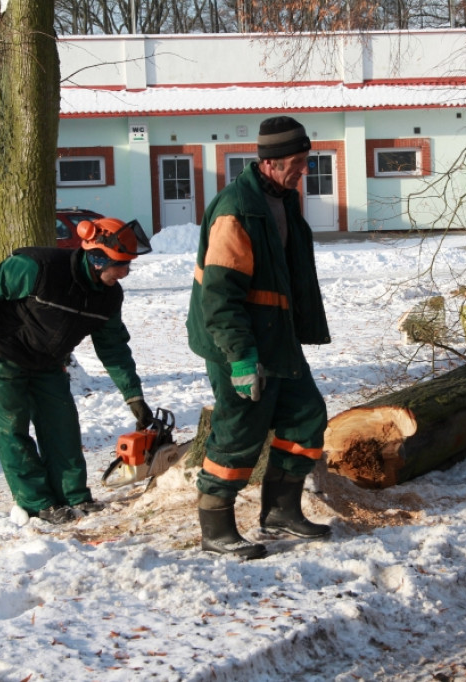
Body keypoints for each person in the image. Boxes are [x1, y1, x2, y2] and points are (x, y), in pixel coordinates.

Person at [186, 116, 332, 559]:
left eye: (306, 161)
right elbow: (219, 296)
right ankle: (215, 528)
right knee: (238, 432)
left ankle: (280, 511)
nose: (304, 170)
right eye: (297, 163)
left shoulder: (284, 200)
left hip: (277, 336)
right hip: (240, 342)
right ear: (270, 162)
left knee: (306, 417)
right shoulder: (236, 210)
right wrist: (241, 358)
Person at [0, 217, 155, 524]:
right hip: (2, 355)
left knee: (63, 429)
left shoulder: (108, 296)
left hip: (48, 363)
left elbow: (113, 347)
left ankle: (73, 495)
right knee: (13, 431)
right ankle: (37, 502)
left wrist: (133, 396)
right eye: (120, 265)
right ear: (98, 258)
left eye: (128, 265)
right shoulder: (39, 268)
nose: (125, 273)